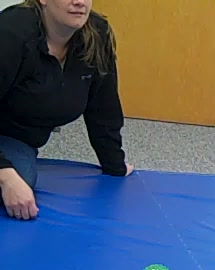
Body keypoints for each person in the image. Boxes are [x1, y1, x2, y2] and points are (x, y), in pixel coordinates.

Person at [0, 0, 133, 221]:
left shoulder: (96, 35)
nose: (79, 2)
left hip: (15, 139)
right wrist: (5, 175)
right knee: (12, 183)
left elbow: (103, 107)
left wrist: (114, 164)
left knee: (22, 179)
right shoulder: (10, 32)